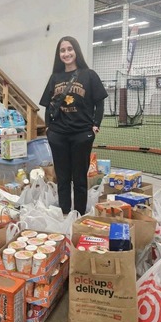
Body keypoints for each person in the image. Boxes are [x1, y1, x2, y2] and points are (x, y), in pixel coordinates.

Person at [39, 36, 108, 215]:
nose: (66, 53)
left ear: (76, 51)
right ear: (59, 54)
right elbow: (48, 105)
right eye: (62, 50)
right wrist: (48, 128)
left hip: (81, 134)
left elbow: (99, 103)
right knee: (62, 177)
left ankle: (78, 214)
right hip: (58, 135)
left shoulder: (89, 75)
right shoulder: (55, 77)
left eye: (70, 49)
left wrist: (95, 125)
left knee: (79, 178)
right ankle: (64, 213)